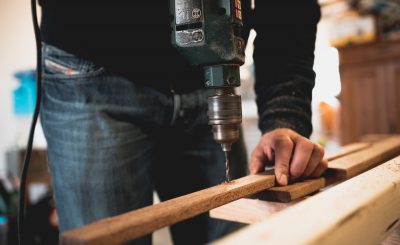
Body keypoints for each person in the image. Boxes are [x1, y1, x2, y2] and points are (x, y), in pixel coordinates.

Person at [39, 1, 327, 244]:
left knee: (233, 234)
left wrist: (284, 114)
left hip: (204, 78)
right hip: (90, 68)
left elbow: (290, 10)